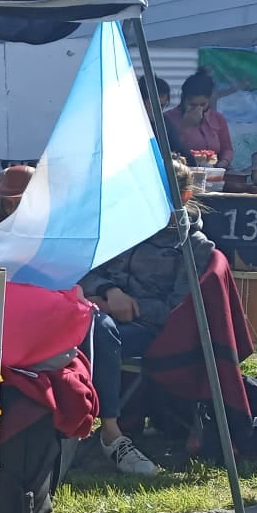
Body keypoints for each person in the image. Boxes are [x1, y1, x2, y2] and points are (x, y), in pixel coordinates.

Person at [81, 156, 217, 475]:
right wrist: (109, 292)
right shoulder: (124, 228)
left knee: (98, 329)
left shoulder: (193, 245)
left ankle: (112, 434)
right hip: (101, 307)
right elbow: (87, 267)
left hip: (149, 329)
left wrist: (125, 307)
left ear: (182, 197)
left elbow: (178, 309)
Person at [165, 69, 233, 169]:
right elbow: (169, 150)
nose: (198, 109)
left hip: (214, 173)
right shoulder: (168, 119)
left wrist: (223, 162)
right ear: (184, 99)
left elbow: (227, 149)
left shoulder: (217, 118)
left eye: (203, 104)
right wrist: (186, 127)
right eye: (193, 105)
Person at [137, 75, 196, 167]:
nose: (158, 110)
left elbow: (179, 148)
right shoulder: (132, 123)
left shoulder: (165, 123)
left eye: (162, 106)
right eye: (154, 105)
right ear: (142, 101)